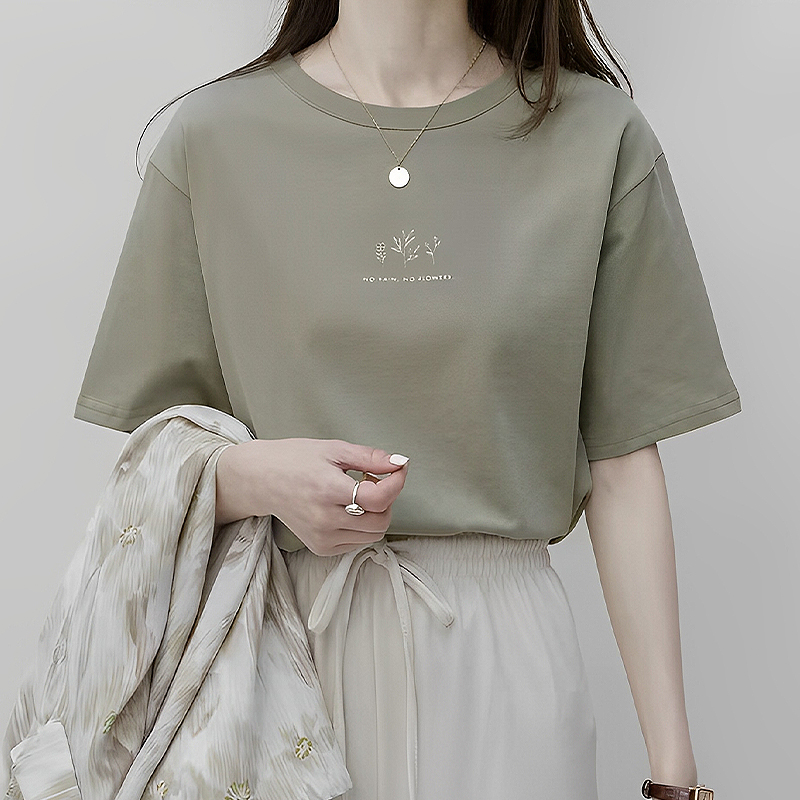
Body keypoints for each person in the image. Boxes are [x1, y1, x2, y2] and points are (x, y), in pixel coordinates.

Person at [72, 1, 740, 798]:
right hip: (273, 663)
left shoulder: (597, 135)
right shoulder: (213, 138)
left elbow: (623, 462)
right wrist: (261, 479)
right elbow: (153, 459)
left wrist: (674, 772)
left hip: (505, 661)